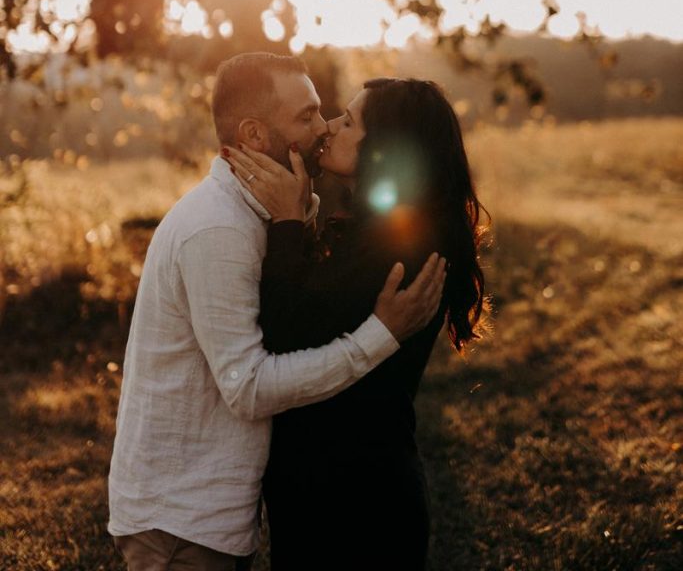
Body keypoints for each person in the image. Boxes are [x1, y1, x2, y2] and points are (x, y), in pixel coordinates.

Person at [108, 54, 446, 571]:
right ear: (255, 134)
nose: (324, 127)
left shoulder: (267, 216)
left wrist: (299, 217)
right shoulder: (218, 230)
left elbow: (300, 316)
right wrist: (380, 336)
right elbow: (250, 385)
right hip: (181, 520)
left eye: (330, 116)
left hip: (227, 514)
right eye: (307, 116)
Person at [227, 77, 487, 571]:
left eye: (348, 122)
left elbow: (281, 335)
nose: (329, 129)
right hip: (329, 489)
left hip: (355, 504)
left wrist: (286, 222)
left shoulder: (399, 246)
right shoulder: (378, 232)